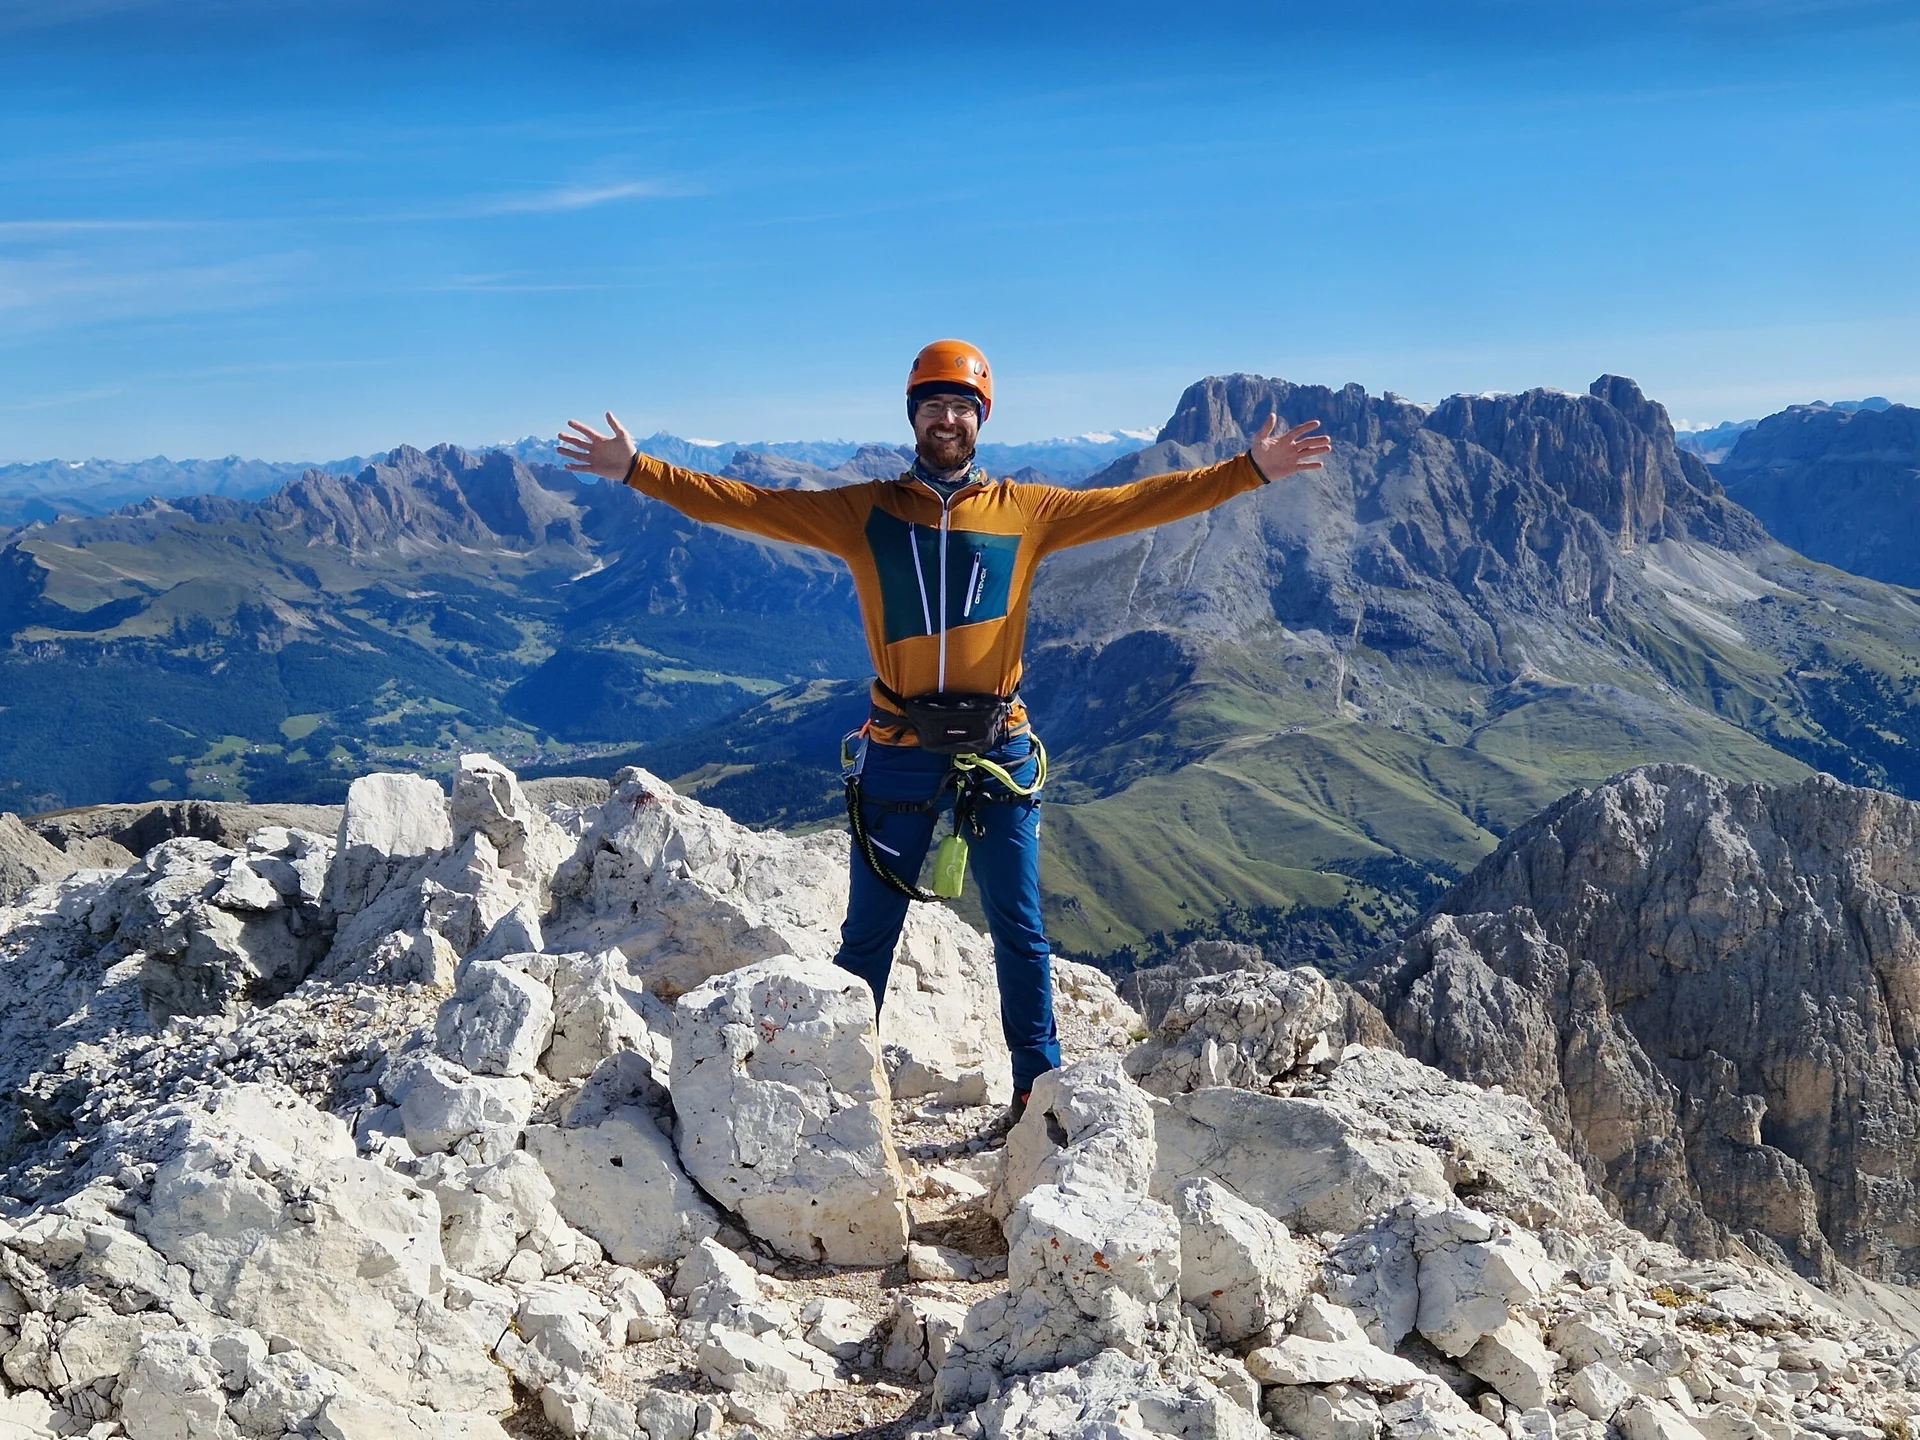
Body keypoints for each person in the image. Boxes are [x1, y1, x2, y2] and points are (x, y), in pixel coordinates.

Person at [557, 340, 1331, 1112]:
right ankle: (836, 1091)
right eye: (934, 405)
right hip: (898, 748)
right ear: (913, 415)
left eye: (963, 406)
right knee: (868, 935)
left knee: (1020, 934)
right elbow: (747, 504)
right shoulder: (862, 512)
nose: (948, 419)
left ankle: (1038, 1095)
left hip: (997, 749)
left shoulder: (1030, 512)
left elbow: (1145, 502)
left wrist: (1249, 471)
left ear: (982, 418)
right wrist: (638, 470)